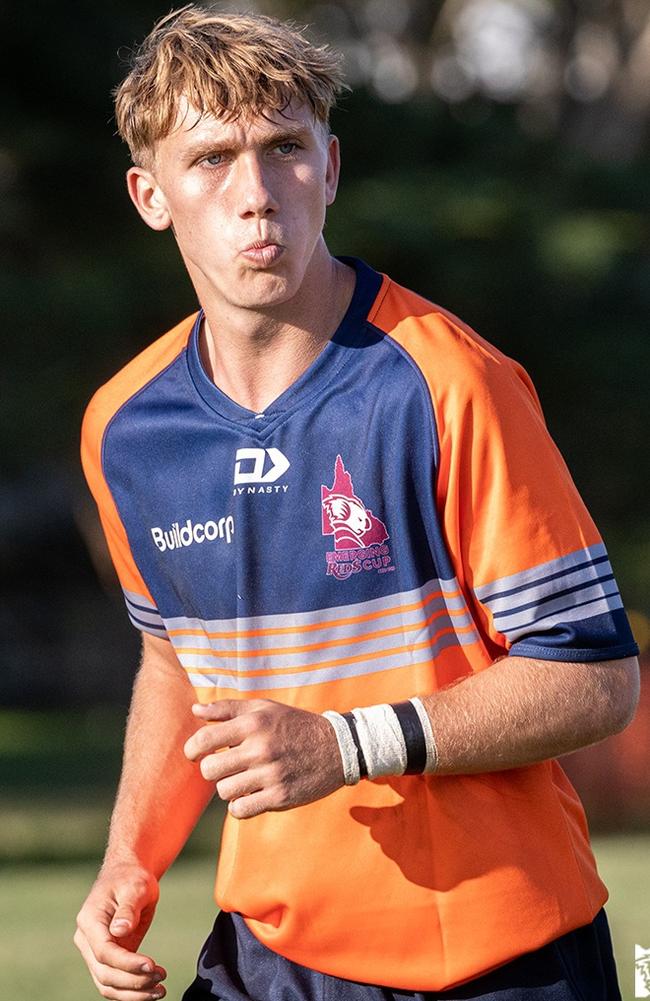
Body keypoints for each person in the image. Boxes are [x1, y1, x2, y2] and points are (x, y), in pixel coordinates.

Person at [74, 6, 640, 1001]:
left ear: (328, 171)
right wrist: (132, 853)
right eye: (211, 160)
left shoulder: (448, 382)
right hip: (268, 957)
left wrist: (346, 742)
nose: (256, 195)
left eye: (284, 149)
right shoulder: (124, 425)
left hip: (499, 959)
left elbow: (591, 674)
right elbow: (176, 658)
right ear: (149, 194)